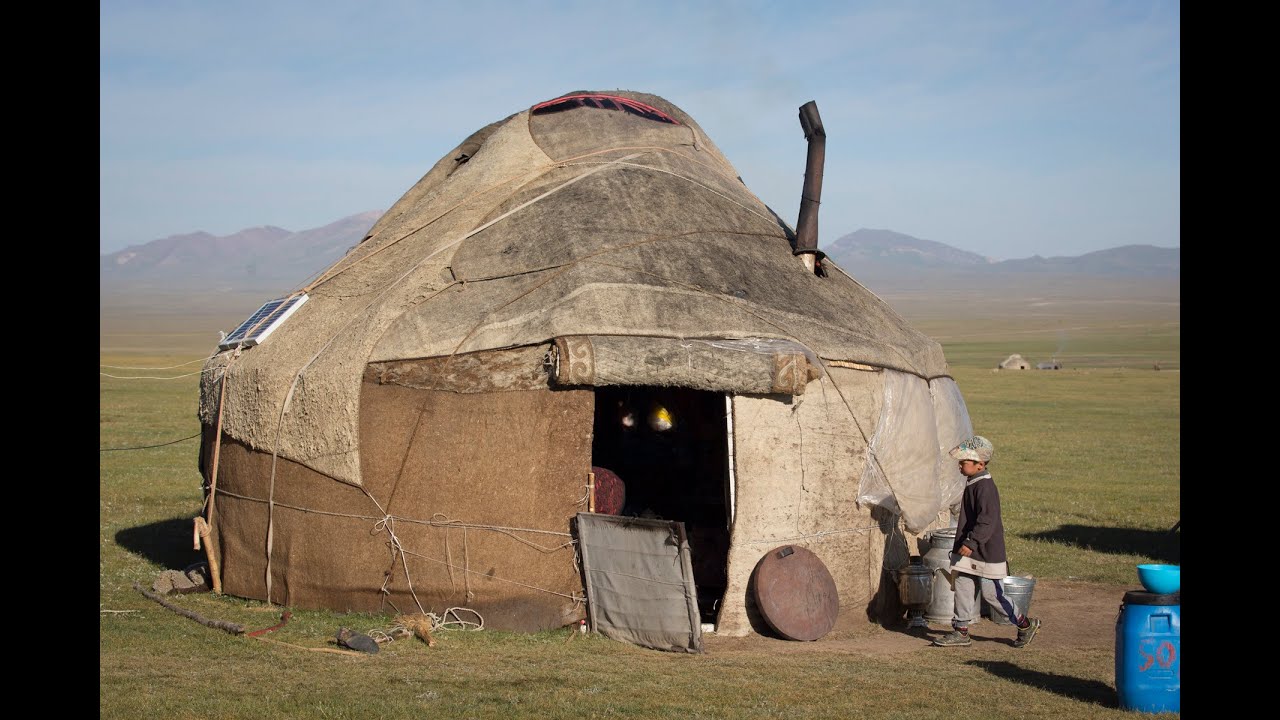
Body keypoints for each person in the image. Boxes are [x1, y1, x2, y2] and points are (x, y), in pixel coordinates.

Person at [932, 435, 1041, 648]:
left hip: (985, 550)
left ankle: (1025, 624)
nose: (960, 466)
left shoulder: (985, 487)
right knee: (962, 586)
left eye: (964, 462)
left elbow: (987, 521)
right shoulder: (973, 482)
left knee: (993, 595)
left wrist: (971, 543)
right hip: (969, 548)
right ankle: (961, 631)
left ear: (980, 464)